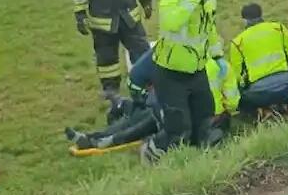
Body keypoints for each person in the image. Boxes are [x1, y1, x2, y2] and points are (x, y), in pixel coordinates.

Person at [68, 47, 238, 154]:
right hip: (185, 116)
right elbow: (232, 103)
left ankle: (99, 137)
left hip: (178, 116)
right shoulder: (222, 68)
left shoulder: (182, 66)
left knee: (141, 120)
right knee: (141, 118)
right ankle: (102, 136)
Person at [143, 0, 226, 159]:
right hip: (171, 74)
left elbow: (209, 29)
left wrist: (217, 56)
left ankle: (200, 162)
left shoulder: (210, 1)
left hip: (197, 71)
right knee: (179, 129)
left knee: (205, 121)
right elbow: (172, 23)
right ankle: (152, 150)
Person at [227, 3, 288, 113]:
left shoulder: (237, 42)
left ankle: (260, 112)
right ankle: (284, 104)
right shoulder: (278, 28)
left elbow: (236, 75)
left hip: (258, 92)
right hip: (287, 85)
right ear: (261, 14)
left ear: (244, 20)